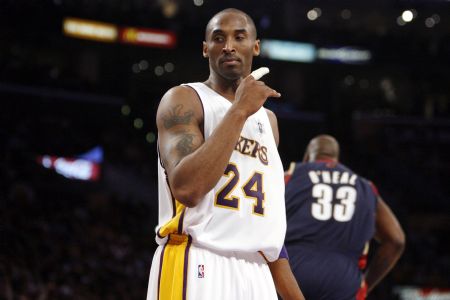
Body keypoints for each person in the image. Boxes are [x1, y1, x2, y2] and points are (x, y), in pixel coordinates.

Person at [146, 8, 304, 300]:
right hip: (198, 259)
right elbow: (188, 188)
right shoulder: (184, 99)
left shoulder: (269, 122)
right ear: (206, 49)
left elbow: (267, 226)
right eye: (218, 38)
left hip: (257, 273)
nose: (229, 45)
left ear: (255, 46)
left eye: (239, 37)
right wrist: (240, 110)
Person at [284, 134, 406, 300]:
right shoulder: (365, 187)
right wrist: (366, 284)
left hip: (294, 270)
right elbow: (396, 240)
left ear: (307, 158)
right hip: (343, 279)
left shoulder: (291, 175)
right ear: (336, 159)